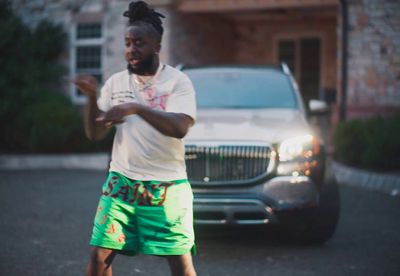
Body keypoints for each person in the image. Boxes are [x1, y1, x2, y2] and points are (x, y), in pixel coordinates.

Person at [72, 1, 197, 275]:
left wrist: (137, 108)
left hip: (166, 188)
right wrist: (92, 98)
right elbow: (95, 133)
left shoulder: (177, 82)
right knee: (98, 257)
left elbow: (180, 127)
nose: (131, 49)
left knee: (180, 263)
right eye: (128, 43)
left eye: (139, 42)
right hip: (121, 184)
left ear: (157, 46)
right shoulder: (116, 83)